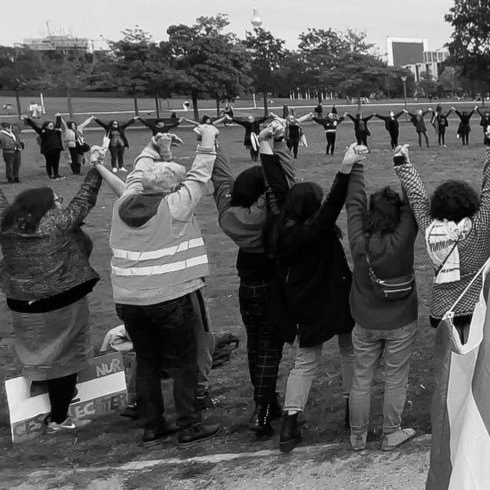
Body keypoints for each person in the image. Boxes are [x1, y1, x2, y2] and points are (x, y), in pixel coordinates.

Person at [104, 129, 221, 444]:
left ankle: (153, 424)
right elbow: (199, 176)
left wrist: (152, 146)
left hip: (128, 300)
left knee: (147, 360)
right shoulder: (174, 205)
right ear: (171, 189)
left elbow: (137, 173)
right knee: (184, 362)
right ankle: (189, 424)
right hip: (169, 296)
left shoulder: (124, 201)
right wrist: (207, 138)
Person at [398, 126, 490, 451]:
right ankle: (475, 416)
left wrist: (403, 164)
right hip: (473, 309)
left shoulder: (431, 228)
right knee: (476, 365)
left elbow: (417, 199)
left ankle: (456, 416)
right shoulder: (480, 225)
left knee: (451, 369)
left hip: (442, 311)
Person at [263, 124, 358, 452]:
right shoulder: (313, 230)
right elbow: (333, 204)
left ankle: (289, 424)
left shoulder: (282, 224)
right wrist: (345, 167)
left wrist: (267, 149)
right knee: (349, 351)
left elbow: (278, 188)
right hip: (334, 298)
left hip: (303, 304)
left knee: (305, 362)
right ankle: (352, 410)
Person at [1, 146, 107, 432]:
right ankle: (59, 418)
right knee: (66, 358)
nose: (60, 203)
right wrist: (96, 167)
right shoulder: (57, 223)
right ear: (47, 206)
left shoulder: (6, 224)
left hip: (21, 304)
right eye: (57, 200)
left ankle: (53, 402)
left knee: (41, 354)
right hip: (61, 303)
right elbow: (84, 198)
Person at [344, 145, 420, 452]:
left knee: (361, 378)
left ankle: (357, 437)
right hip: (400, 319)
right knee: (395, 377)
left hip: (365, 319)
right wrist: (403, 164)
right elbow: (414, 204)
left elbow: (353, 204)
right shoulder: (404, 235)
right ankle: (391, 433)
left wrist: (356, 166)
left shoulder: (359, 238)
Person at [210, 132, 283, 440]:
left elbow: (221, 181)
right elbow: (278, 186)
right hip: (270, 287)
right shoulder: (267, 216)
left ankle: (268, 402)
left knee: (256, 344)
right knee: (270, 348)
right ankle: (262, 410)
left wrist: (212, 145)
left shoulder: (228, 215)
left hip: (247, 288)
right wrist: (271, 147)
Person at [22, 115, 64, 180]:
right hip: (48, 150)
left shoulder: (55, 130)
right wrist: (28, 119)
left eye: (52, 125)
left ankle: (56, 174)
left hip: (57, 149)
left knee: (56, 162)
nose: (52, 126)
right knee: (49, 162)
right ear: (46, 126)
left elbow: (58, 124)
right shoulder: (42, 131)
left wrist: (58, 117)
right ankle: (51, 175)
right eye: (50, 125)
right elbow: (34, 126)